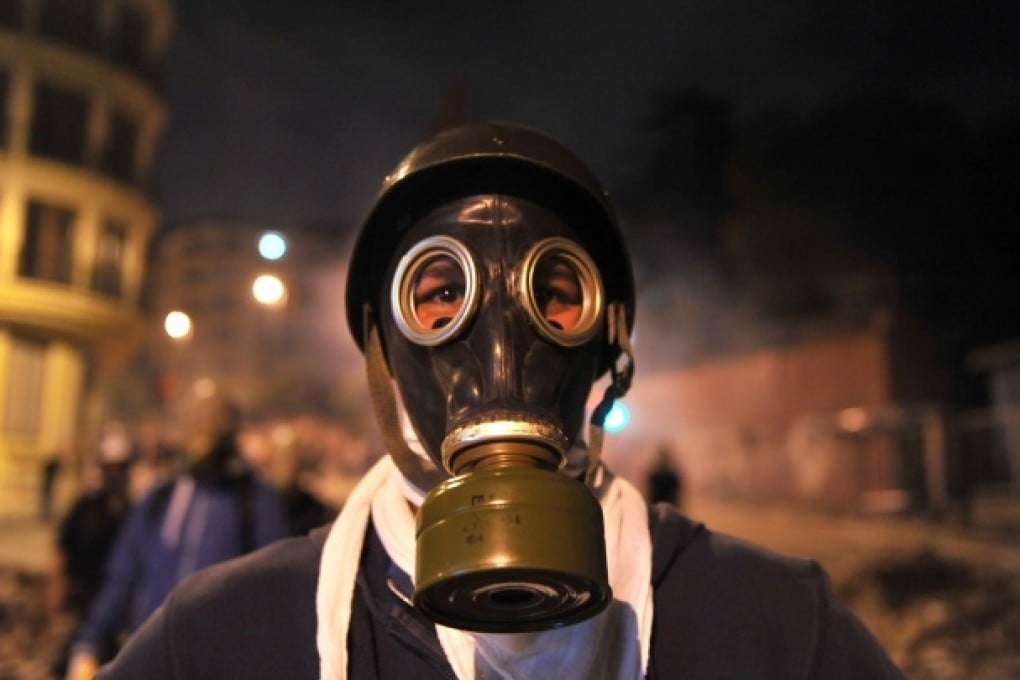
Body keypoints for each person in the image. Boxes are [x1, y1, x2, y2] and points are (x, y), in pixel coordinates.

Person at [94, 122, 904, 678]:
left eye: (556, 295)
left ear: (607, 339)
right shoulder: (227, 637)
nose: (501, 345)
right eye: (440, 295)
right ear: (385, 343)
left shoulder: (776, 629)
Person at [67, 390, 288, 680]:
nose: (204, 431)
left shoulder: (255, 502)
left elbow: (272, 591)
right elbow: (123, 576)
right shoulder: (161, 497)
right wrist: (89, 643)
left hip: (218, 664)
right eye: (197, 421)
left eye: (215, 422)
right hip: (150, 656)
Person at [47, 424, 135, 676]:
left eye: (121, 468)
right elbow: (62, 545)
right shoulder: (86, 506)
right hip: (82, 597)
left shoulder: (133, 512)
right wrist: (57, 585)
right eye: (111, 468)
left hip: (112, 603)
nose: (116, 474)